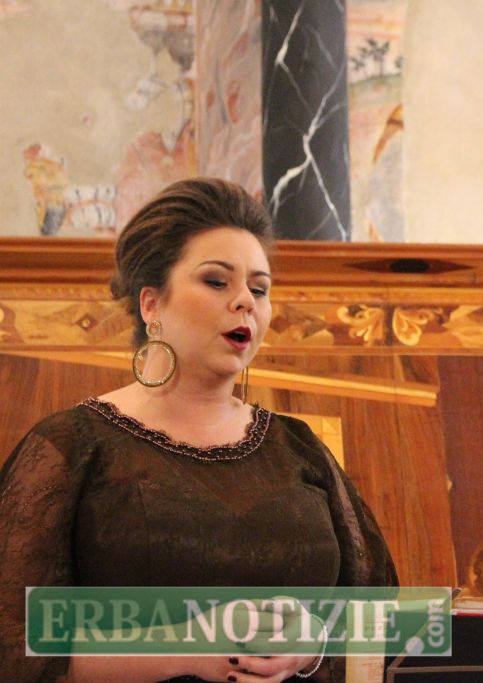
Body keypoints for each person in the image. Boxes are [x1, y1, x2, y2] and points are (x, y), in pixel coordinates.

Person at [0, 178, 397, 682]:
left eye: (259, 289)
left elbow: (387, 621)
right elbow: (13, 646)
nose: (245, 301)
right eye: (216, 281)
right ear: (151, 305)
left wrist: (311, 649)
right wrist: (188, 646)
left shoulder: (300, 448)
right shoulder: (72, 445)